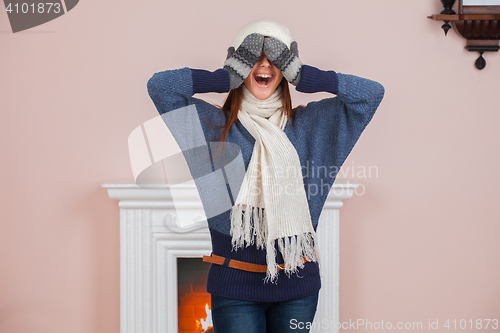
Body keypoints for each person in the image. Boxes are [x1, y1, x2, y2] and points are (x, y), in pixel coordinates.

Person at [147, 19, 384, 333]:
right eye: (252, 57)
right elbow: (160, 87)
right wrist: (225, 77)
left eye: (276, 58)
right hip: (233, 288)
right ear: (239, 65)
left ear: (287, 69)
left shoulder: (312, 126)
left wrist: (305, 75)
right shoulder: (211, 126)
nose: (264, 65)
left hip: (297, 287)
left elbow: (371, 94)